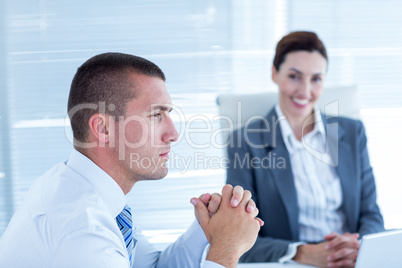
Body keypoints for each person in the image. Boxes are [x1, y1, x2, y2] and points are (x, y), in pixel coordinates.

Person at [0, 52, 263, 268]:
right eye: (155, 115)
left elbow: (152, 267)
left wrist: (209, 231)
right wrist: (227, 249)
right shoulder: (82, 232)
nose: (173, 134)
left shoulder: (92, 193)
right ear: (103, 128)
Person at [226, 31, 384, 268]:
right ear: (274, 73)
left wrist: (357, 246)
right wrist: (301, 253)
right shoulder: (246, 142)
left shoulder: (352, 133)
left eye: (316, 79)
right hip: (292, 264)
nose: (305, 90)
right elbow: (239, 237)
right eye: (294, 76)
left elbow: (371, 214)